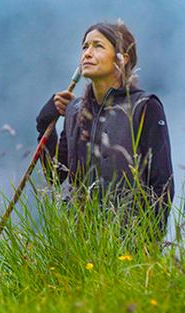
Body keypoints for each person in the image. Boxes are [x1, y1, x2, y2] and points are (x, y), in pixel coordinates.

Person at [36, 20, 173, 241]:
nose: (87, 54)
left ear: (122, 58)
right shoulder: (75, 111)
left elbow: (162, 185)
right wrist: (45, 125)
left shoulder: (144, 107)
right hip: (79, 242)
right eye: (85, 47)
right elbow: (56, 175)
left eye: (98, 46)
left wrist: (148, 245)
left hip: (130, 242)